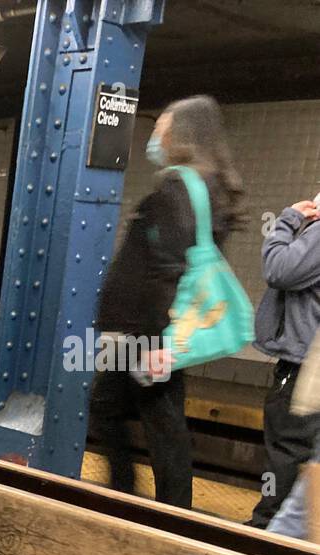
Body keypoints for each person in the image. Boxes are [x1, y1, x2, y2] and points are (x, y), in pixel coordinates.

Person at [89, 95, 244, 509]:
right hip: (151, 328)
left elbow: (169, 268)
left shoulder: (179, 187)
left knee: (153, 420)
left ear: (182, 136)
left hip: (150, 330)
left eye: (161, 127)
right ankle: (141, 500)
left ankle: (167, 511)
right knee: (128, 410)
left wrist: (165, 343)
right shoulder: (205, 187)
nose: (155, 134)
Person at [248, 189, 320, 527]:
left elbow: (279, 269)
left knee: (286, 456)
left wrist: (289, 220)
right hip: (307, 362)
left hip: (304, 368)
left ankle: (267, 536)